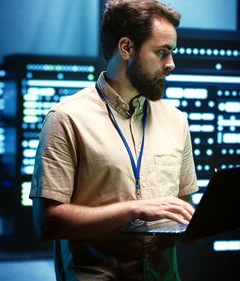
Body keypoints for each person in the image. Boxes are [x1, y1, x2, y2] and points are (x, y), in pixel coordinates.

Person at [30, 0, 198, 279]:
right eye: (162, 53)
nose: (171, 64)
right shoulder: (67, 118)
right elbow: (47, 223)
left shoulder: (176, 120)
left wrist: (201, 224)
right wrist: (131, 210)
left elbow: (184, 208)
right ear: (127, 48)